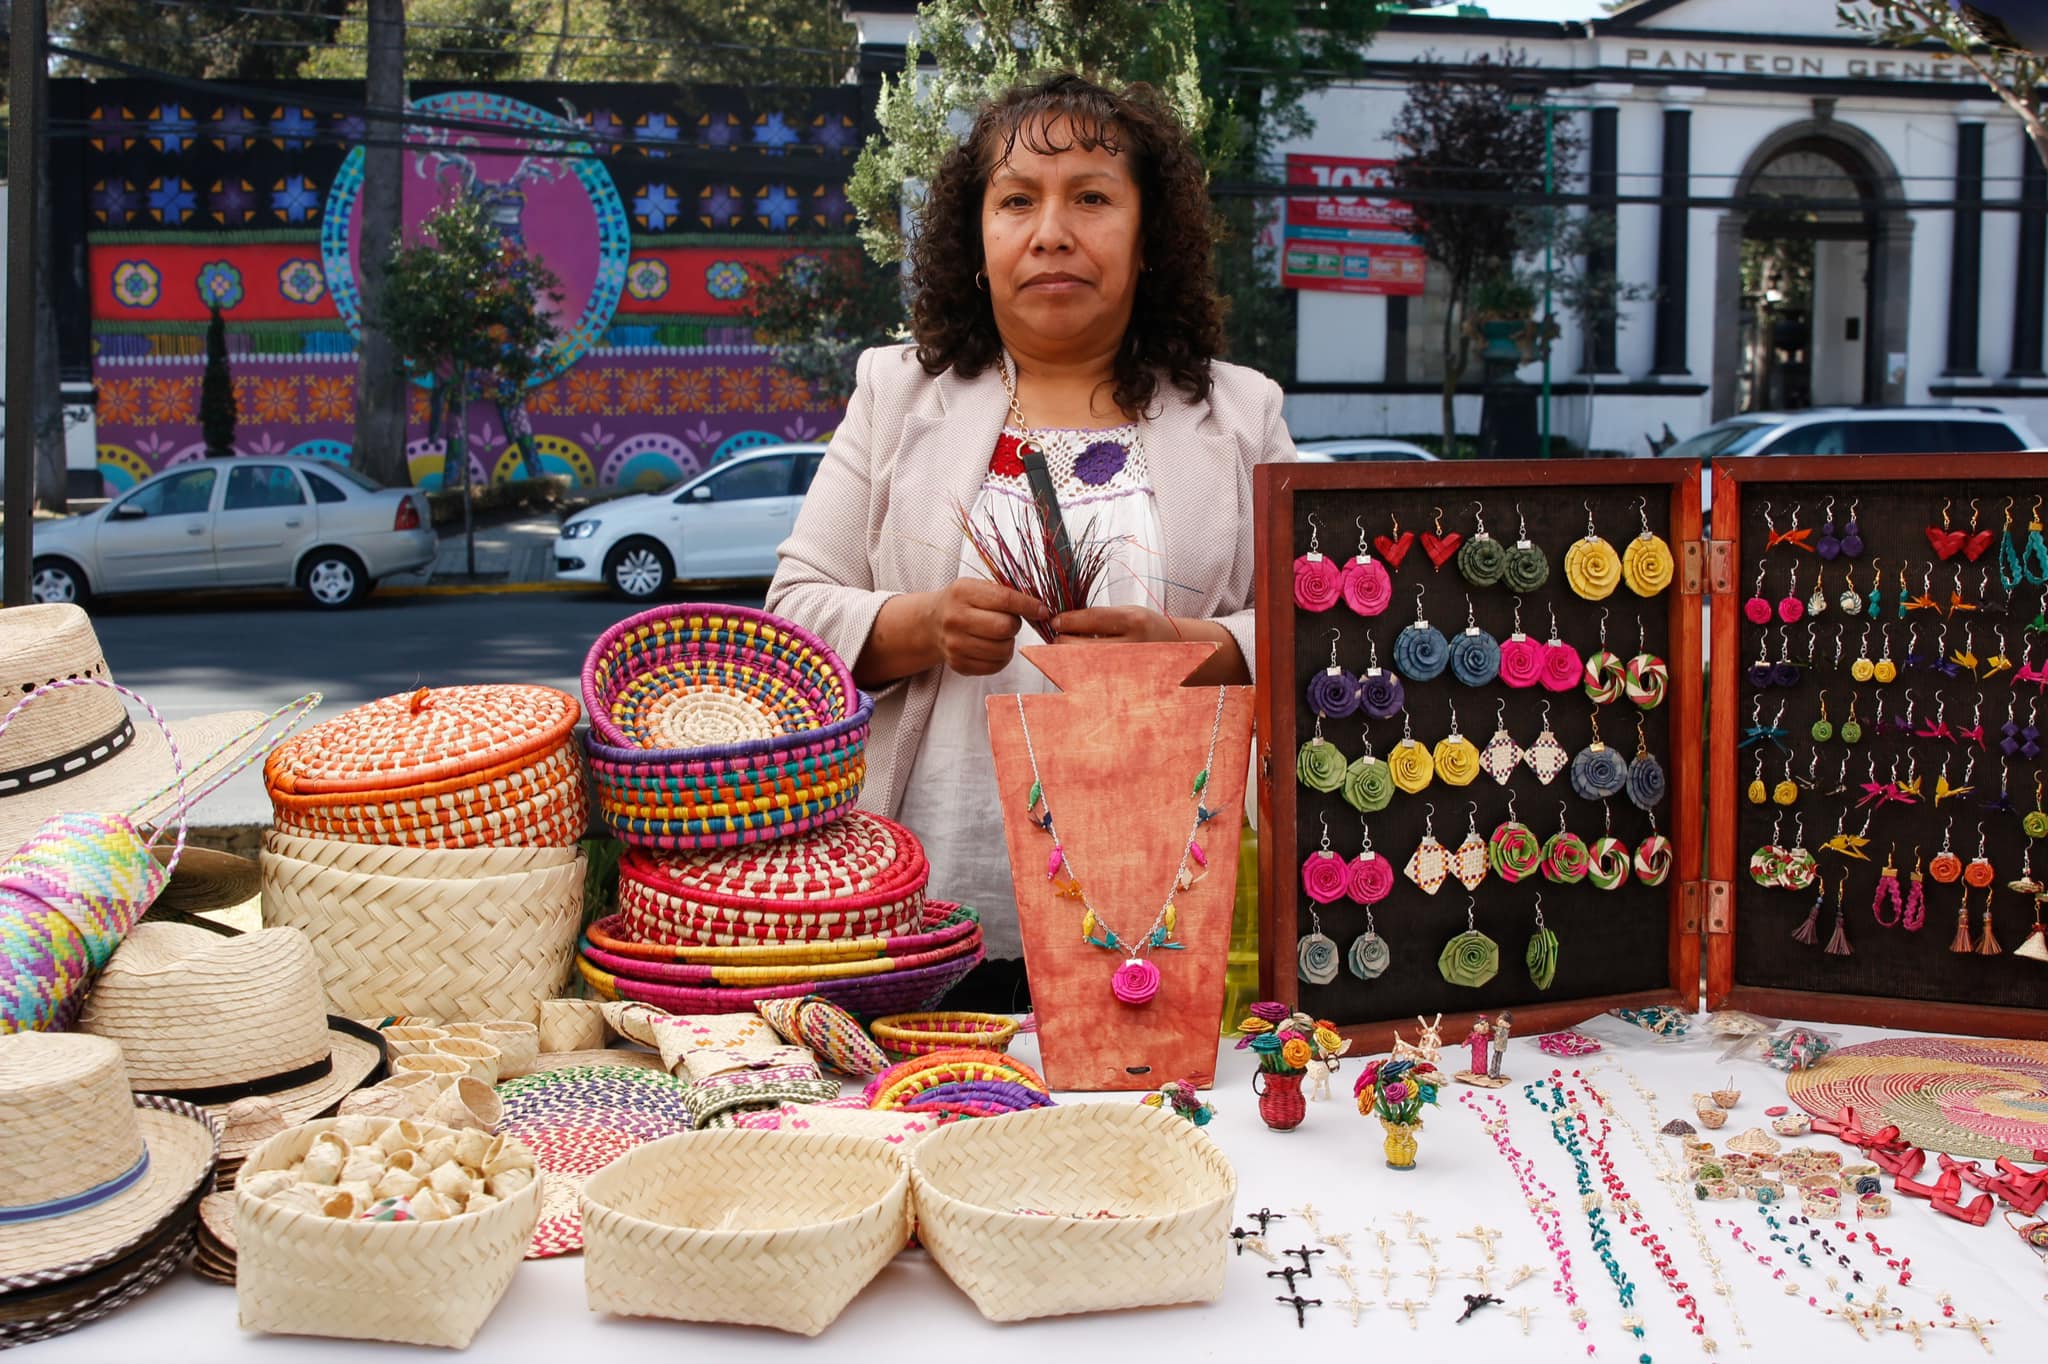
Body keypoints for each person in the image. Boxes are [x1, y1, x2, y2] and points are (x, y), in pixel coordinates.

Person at [768, 73, 1295, 1006]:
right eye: (1017, 200)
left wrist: (1197, 649)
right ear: (979, 240)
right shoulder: (896, 397)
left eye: (1092, 197)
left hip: (1165, 909)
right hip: (925, 913)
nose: (1051, 230)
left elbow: (1320, 627)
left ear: (1147, 240)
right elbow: (793, 615)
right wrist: (920, 624)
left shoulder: (1240, 413)